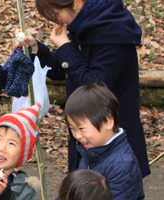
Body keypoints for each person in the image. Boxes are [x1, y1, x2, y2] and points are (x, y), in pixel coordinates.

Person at [15, 0, 150, 178]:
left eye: (56, 14)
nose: (57, 21)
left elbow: (93, 86)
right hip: (85, 130)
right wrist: (36, 48)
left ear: (77, 3)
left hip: (111, 134)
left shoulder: (112, 31)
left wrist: (65, 47)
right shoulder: (85, 24)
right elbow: (62, 69)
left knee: (112, 188)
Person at [63, 83, 144, 199]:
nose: (77, 135)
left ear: (108, 122)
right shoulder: (92, 150)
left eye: (81, 128)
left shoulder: (123, 166)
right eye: (72, 129)